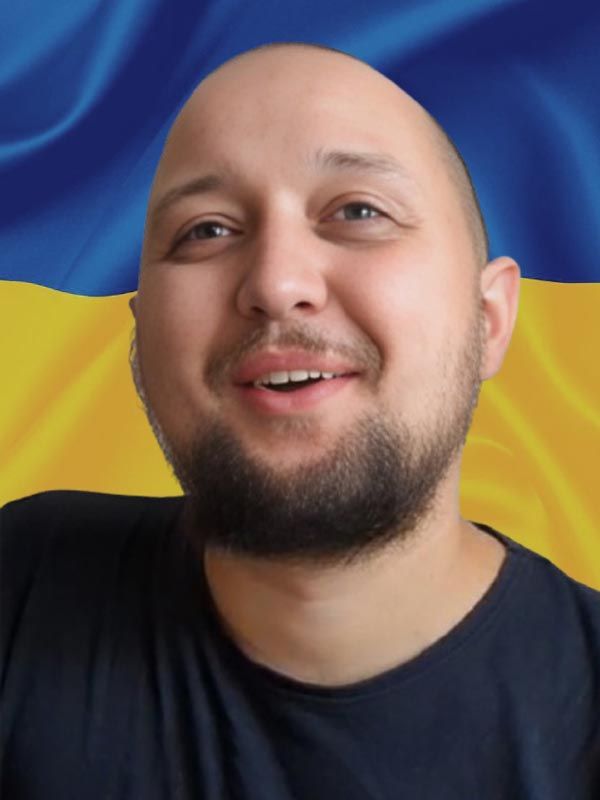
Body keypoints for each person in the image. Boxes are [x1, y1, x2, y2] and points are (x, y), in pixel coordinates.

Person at [1, 42, 599, 799]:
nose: (277, 282)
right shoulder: (19, 583)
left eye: (359, 211)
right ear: (140, 337)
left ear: (489, 321)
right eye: (206, 229)